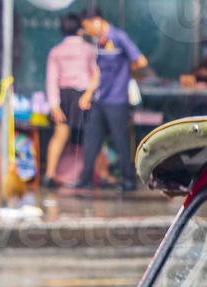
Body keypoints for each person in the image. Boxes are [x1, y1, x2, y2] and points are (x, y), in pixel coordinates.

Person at [77, 5, 145, 192]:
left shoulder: (119, 37)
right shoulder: (100, 41)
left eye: (86, 26)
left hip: (117, 99)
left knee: (120, 140)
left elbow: (141, 61)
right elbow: (98, 70)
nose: (86, 30)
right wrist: (88, 94)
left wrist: (124, 72)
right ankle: (85, 178)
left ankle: (128, 179)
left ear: (96, 20)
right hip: (100, 99)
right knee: (91, 137)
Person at [43, 12, 98, 189]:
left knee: (59, 136)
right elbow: (96, 74)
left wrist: (54, 105)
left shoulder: (55, 51)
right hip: (84, 96)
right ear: (80, 30)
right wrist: (89, 95)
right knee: (92, 137)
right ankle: (98, 175)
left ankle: (49, 174)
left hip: (64, 96)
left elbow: (52, 79)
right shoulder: (89, 50)